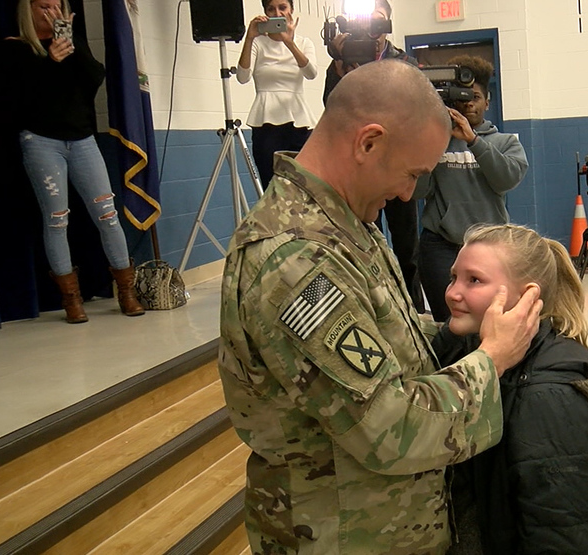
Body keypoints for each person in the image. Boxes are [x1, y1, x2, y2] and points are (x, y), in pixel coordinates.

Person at [218, 60, 543, 555]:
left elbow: (384, 333)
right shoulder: (296, 259)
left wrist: (460, 328)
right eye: (412, 174)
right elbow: (391, 428)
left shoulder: (345, 222)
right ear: (368, 143)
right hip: (344, 535)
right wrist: (491, 359)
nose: (408, 193)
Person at [433, 224, 588, 555]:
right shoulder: (468, 352)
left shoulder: (549, 397)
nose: (452, 292)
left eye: (474, 280)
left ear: (527, 296)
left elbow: (559, 533)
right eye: (454, 277)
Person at [3, 0, 144, 324]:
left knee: (107, 214)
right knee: (56, 219)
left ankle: (127, 290)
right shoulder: (16, 49)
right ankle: (71, 299)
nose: (50, 11)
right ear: (28, 9)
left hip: (81, 139)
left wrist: (69, 43)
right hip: (41, 141)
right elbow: (20, 98)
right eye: (43, 6)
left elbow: (95, 76)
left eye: (56, 6)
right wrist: (49, 59)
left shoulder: (68, 43)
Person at [322, 0, 423, 311]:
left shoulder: (403, 61)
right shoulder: (342, 60)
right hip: (361, 169)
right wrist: (341, 68)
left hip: (397, 166)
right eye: (365, 21)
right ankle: (375, 308)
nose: (371, 29)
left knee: (407, 247)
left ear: (388, 24)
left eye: (377, 21)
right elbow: (332, 106)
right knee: (364, 243)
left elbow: (413, 108)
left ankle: (414, 311)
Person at [414, 56, 529, 322]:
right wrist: (430, 142)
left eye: (475, 97)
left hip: (490, 245)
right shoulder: (437, 142)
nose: (468, 103)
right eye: (462, 98)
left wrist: (474, 141)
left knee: (490, 319)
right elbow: (419, 191)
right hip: (440, 245)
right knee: (449, 322)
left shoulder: (505, 142)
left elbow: (506, 180)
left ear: (487, 102)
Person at [236, 0, 318, 187]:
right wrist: (249, 37)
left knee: (304, 187)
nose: (277, 12)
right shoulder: (258, 43)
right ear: (264, 12)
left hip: (299, 122)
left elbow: (311, 73)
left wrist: (289, 42)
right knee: (272, 186)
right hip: (266, 123)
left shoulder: (304, 42)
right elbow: (242, 77)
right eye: (270, 9)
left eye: (282, 7)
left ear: (291, 11)